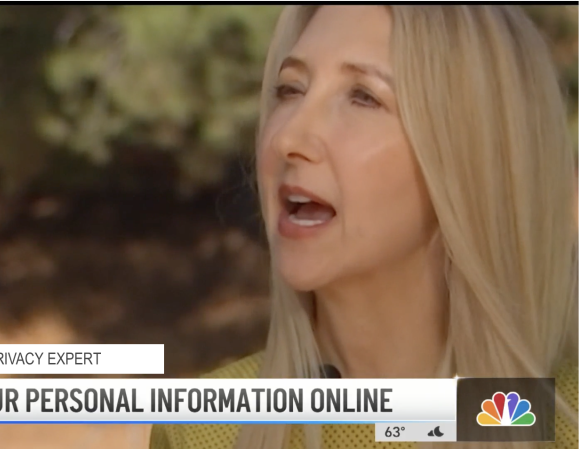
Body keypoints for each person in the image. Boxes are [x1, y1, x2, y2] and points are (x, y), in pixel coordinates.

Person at [150, 5, 578, 449]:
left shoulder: (562, 421)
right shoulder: (203, 433)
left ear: (473, 158)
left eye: (364, 97)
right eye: (290, 89)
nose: (287, 138)